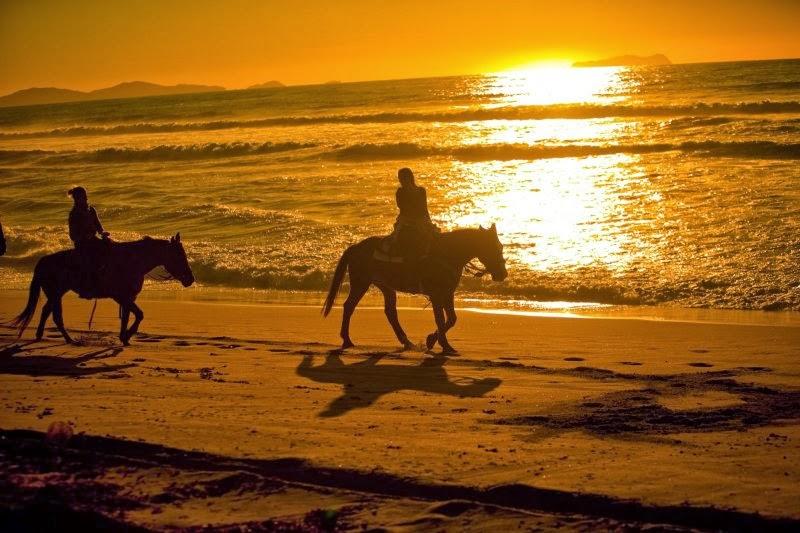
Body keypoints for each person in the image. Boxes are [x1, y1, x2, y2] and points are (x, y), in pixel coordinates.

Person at [392, 168, 436, 279]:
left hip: (421, 220)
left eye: (403, 177)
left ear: (409, 178)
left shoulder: (421, 191)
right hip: (406, 220)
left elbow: (425, 209)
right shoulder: (400, 192)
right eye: (400, 178)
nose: (401, 180)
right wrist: (416, 220)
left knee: (435, 238)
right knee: (404, 240)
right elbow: (403, 209)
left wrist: (428, 222)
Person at [68, 186, 110, 297]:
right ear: (77, 199)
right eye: (84, 197)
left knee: (111, 249)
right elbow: (73, 235)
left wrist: (103, 233)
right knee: (89, 262)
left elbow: (99, 226)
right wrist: (84, 236)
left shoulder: (91, 210)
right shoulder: (74, 214)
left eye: (86, 196)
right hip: (82, 244)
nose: (86, 199)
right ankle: (87, 288)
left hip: (94, 240)